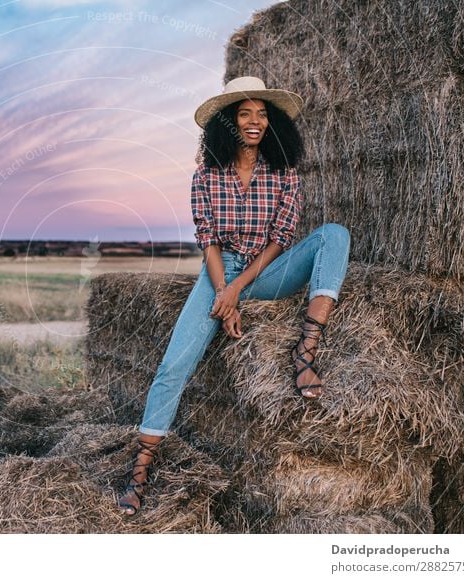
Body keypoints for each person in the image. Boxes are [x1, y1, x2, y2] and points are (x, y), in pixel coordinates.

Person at [118, 76, 350, 516]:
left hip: (267, 270)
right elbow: (207, 240)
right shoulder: (206, 175)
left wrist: (237, 293)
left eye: (262, 114)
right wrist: (222, 292)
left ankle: (306, 351)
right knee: (173, 365)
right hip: (220, 267)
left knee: (334, 235)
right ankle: (140, 472)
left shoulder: (285, 174)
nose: (255, 121)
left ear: (273, 122)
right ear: (228, 123)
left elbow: (280, 239)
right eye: (245, 114)